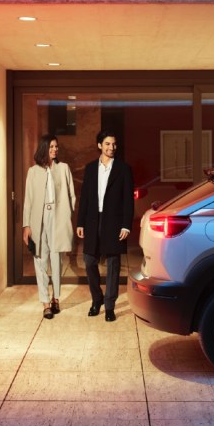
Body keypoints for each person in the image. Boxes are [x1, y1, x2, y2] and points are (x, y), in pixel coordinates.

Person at [76, 130, 134, 322]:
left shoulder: (123, 169)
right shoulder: (91, 168)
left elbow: (128, 200)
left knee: (113, 265)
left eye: (114, 144)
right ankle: (96, 299)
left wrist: (126, 225)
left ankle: (109, 306)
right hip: (93, 221)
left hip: (114, 222)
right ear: (100, 145)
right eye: (108, 144)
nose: (111, 147)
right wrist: (81, 222)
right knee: (89, 261)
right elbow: (84, 197)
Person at [22, 134, 77, 319]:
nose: (55, 149)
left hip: (58, 217)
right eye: (51, 146)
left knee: (56, 259)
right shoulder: (33, 171)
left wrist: (69, 214)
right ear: (44, 148)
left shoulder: (63, 168)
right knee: (40, 260)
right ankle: (45, 302)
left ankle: (56, 298)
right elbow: (28, 201)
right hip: (39, 219)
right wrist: (27, 225)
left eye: (56, 147)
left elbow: (71, 195)